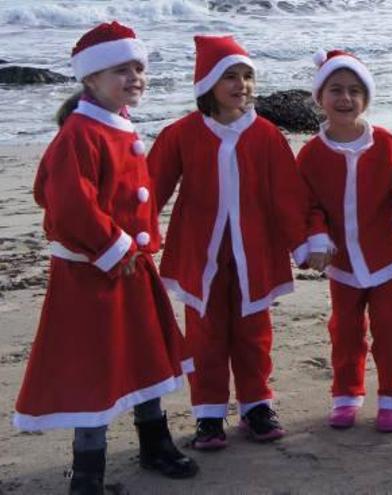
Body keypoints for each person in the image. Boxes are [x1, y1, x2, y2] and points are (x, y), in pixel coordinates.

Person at [13, 21, 198, 493]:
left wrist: (137, 248)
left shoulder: (115, 123)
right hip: (93, 276)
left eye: (139, 67)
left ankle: (154, 443)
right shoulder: (80, 133)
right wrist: (115, 248)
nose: (134, 77)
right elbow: (67, 201)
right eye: (121, 70)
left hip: (131, 269)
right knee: (95, 369)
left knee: (146, 356)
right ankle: (88, 471)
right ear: (91, 79)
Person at [148, 35, 308, 449]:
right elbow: (151, 188)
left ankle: (256, 405)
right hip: (201, 256)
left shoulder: (267, 135)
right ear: (207, 84)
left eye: (248, 76)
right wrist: (138, 234)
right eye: (231, 76)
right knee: (204, 335)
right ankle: (209, 414)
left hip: (253, 254)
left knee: (254, 332)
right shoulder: (181, 133)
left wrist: (303, 244)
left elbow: (288, 197)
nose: (243, 85)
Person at [297, 49, 392, 433]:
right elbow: (309, 204)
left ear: (366, 99)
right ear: (320, 98)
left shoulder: (385, 143)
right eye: (335, 89)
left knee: (387, 327)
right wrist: (317, 238)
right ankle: (346, 395)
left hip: (386, 257)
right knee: (346, 330)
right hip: (343, 265)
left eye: (355, 90)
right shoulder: (311, 154)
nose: (345, 98)